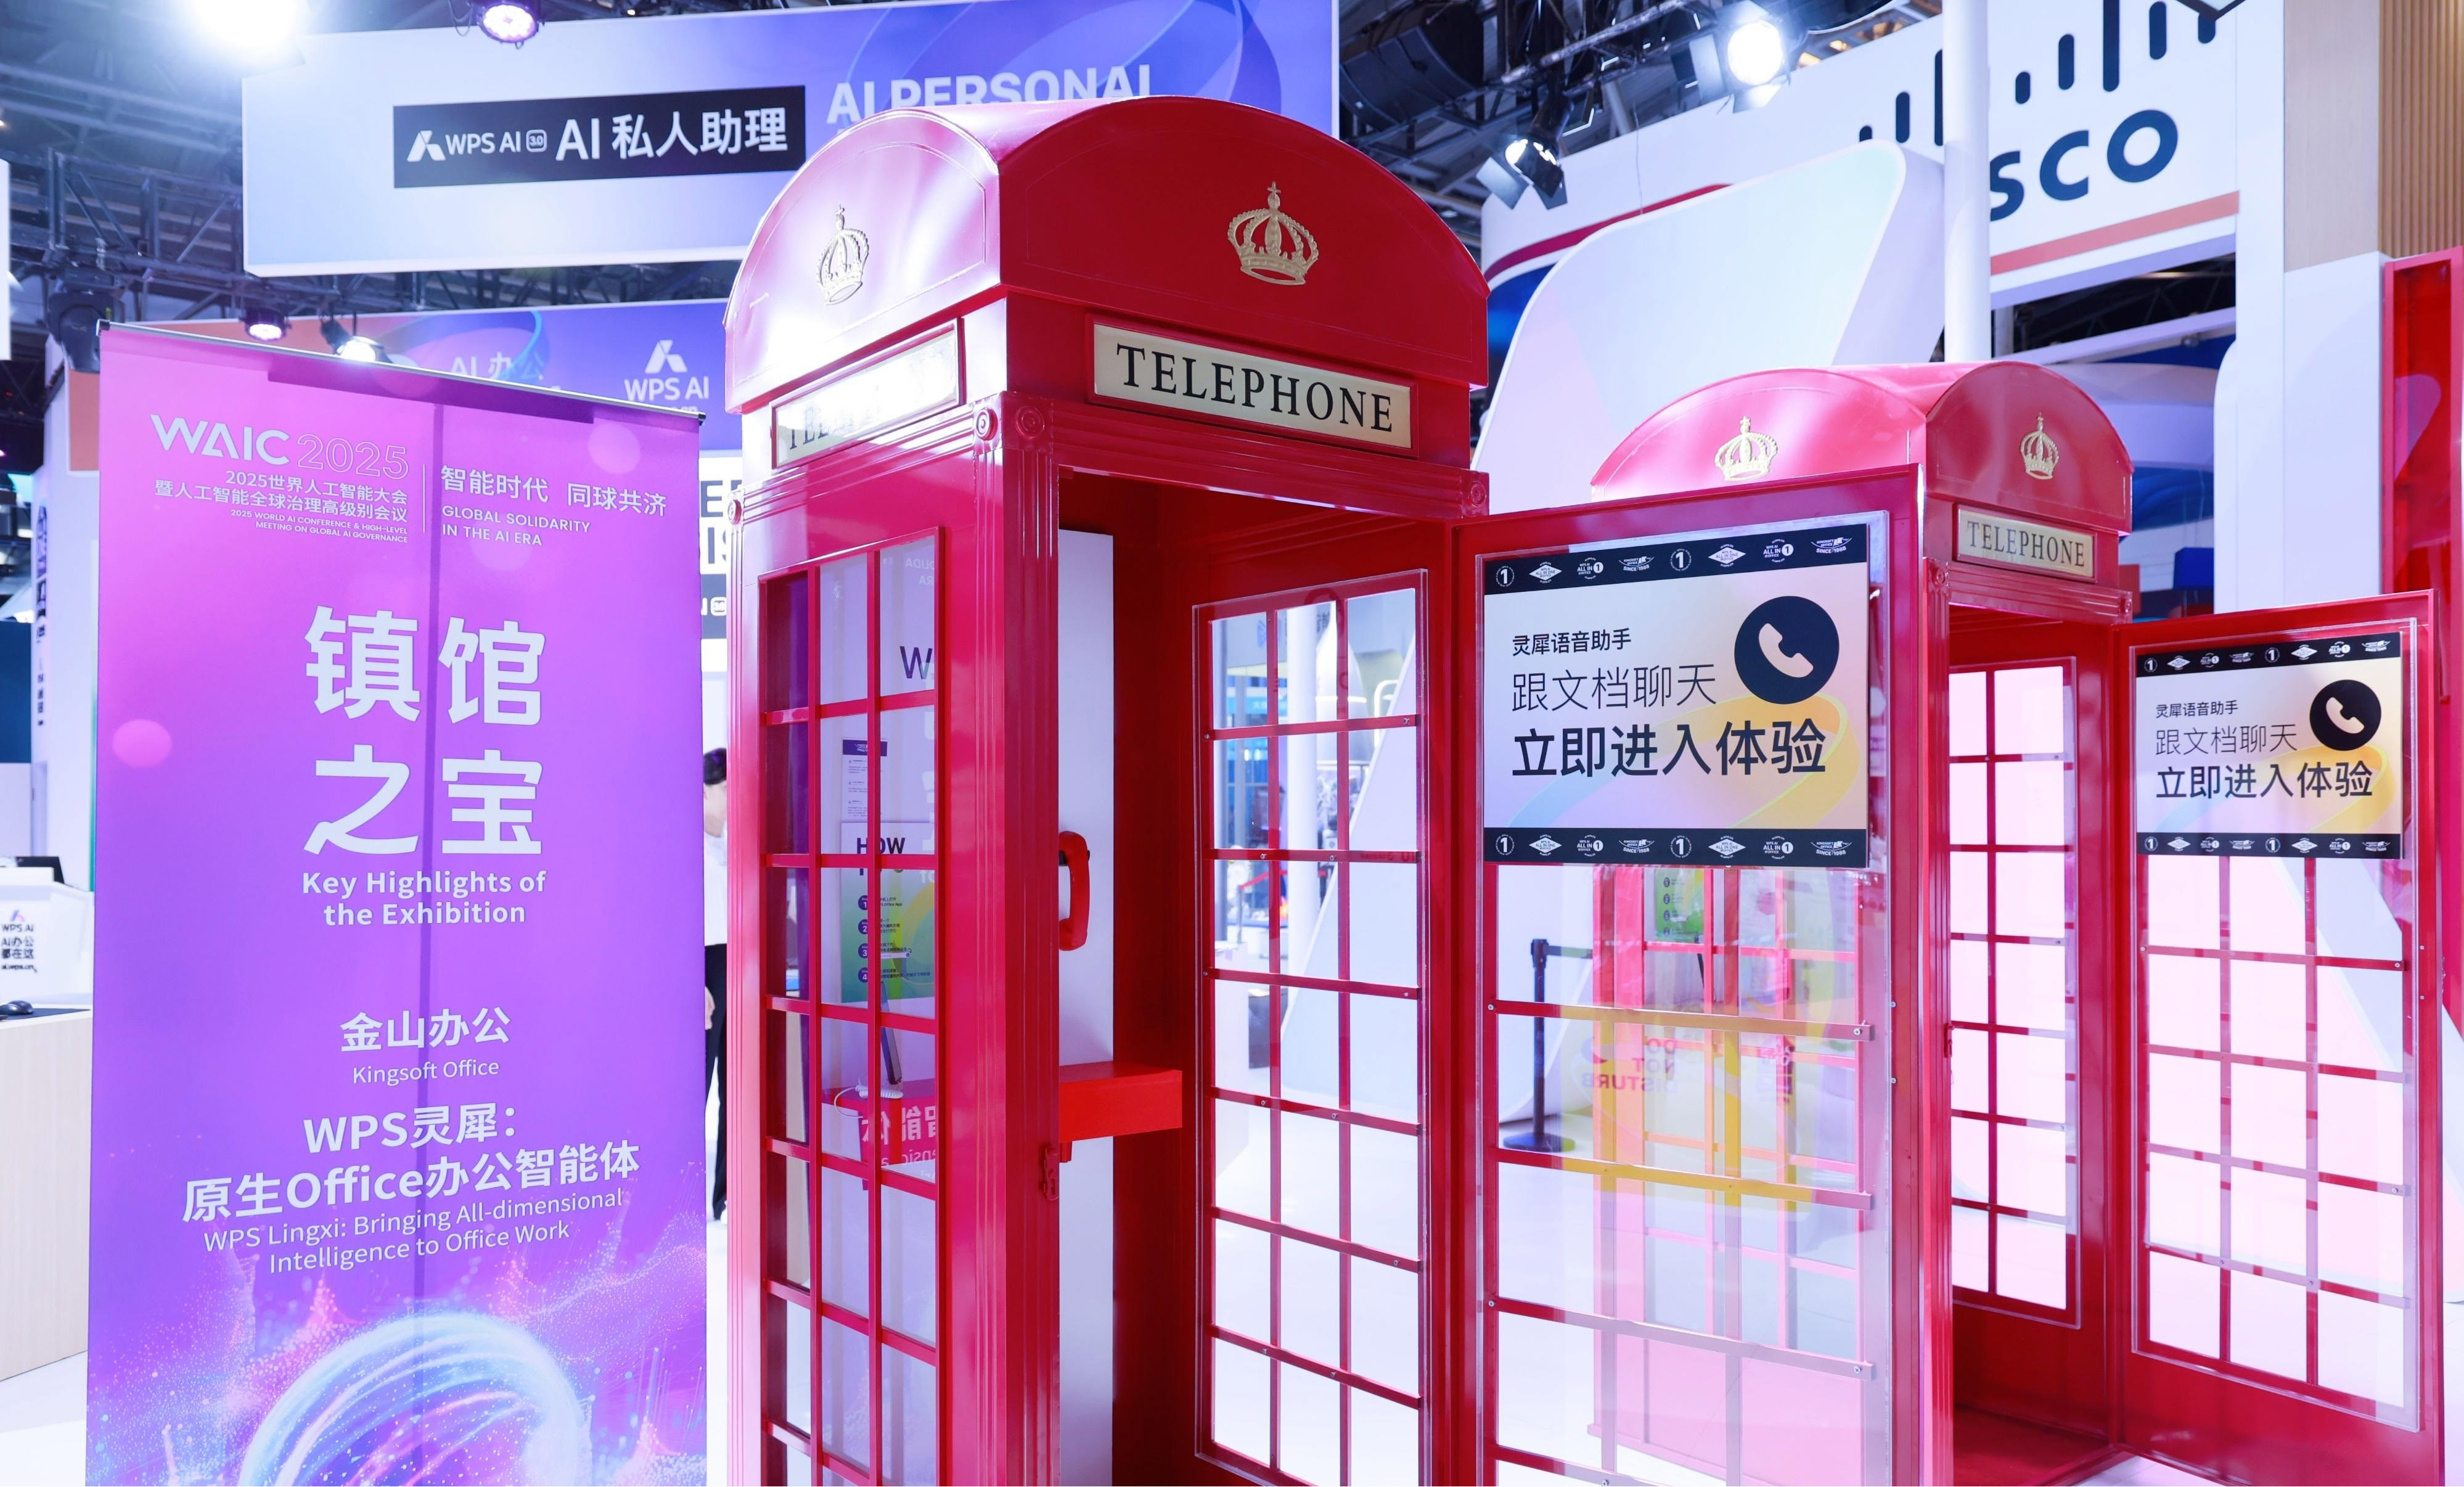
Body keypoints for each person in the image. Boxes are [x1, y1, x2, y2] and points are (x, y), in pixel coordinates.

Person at [703, 746, 729, 1221]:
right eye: (728, 788)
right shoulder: (683, 844)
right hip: (702, 967)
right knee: (697, 1084)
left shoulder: (735, 843)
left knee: (740, 1088)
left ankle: (727, 1195)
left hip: (738, 962)